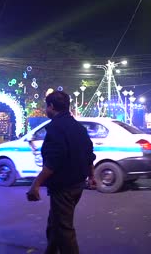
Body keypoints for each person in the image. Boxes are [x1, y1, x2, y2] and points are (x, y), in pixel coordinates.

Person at [26, 90, 96, 254]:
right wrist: (92, 175)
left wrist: (35, 184)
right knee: (55, 222)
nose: (45, 110)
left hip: (64, 187)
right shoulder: (78, 127)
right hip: (77, 184)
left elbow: (53, 161)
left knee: (64, 229)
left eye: (46, 106)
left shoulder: (55, 128)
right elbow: (89, 153)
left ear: (51, 106)